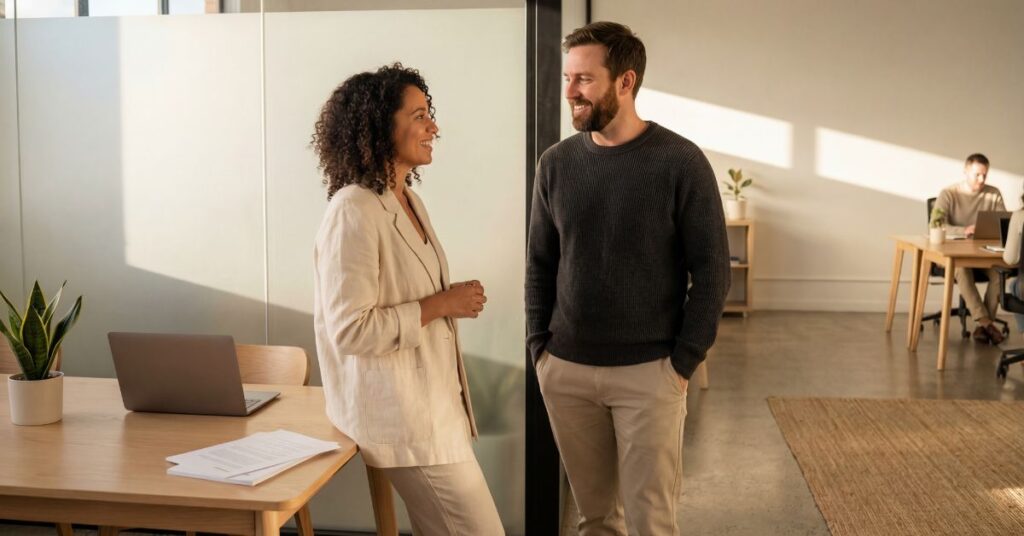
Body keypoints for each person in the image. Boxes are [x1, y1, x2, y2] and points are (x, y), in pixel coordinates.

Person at [525, 22, 731, 536]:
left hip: (650, 373)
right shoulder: (556, 163)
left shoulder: (680, 162)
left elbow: (712, 271)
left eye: (584, 79)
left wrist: (682, 362)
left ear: (625, 81)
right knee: (594, 520)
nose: (570, 91)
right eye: (568, 78)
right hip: (566, 371)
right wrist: (540, 349)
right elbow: (540, 263)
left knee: (650, 522)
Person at [311, 63, 503, 535]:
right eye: (419, 115)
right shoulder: (353, 210)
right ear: (380, 126)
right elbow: (350, 329)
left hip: (435, 409)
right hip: (404, 420)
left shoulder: (407, 201)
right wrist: (443, 304)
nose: (432, 126)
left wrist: (447, 300)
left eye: (428, 114)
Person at [934, 153, 1006, 344]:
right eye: (977, 175)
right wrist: (964, 230)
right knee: (962, 269)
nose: (982, 180)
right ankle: (986, 322)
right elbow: (935, 224)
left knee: (1000, 275)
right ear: (966, 171)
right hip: (956, 256)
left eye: (985, 175)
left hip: (983, 254)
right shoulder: (948, 193)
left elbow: (1002, 225)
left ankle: (982, 327)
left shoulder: (993, 194)